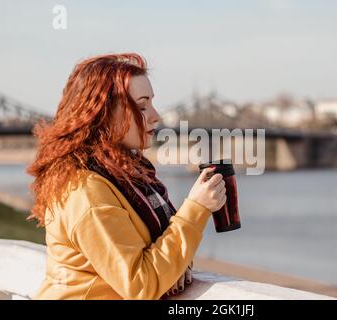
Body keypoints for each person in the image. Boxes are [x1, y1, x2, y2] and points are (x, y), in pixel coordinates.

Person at [27, 53, 226, 300]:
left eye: (152, 103)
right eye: (141, 106)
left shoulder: (125, 175)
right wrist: (196, 209)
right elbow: (140, 284)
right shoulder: (86, 190)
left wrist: (177, 264)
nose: (156, 116)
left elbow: (145, 254)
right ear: (102, 113)